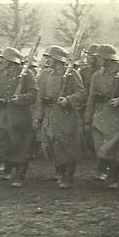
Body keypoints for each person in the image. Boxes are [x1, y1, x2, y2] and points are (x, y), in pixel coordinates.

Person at [84, 44, 119, 189]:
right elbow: (91, 97)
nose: (98, 60)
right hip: (100, 114)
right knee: (101, 146)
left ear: (107, 59)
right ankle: (104, 172)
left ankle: (113, 179)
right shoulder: (97, 75)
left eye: (99, 57)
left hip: (117, 115)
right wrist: (88, 118)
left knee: (116, 149)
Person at [36, 45, 87, 189]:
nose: (47, 61)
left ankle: (67, 176)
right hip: (49, 113)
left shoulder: (71, 74)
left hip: (65, 115)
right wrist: (38, 115)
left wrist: (68, 99)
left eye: (50, 58)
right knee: (49, 143)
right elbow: (39, 96)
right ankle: (59, 170)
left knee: (66, 145)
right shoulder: (45, 74)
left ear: (57, 59)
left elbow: (82, 93)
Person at [0, 47, 39, 187]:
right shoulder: (2, 75)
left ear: (11, 61)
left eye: (4, 59)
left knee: (21, 144)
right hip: (5, 112)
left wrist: (21, 98)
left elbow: (34, 94)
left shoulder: (26, 74)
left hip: (21, 114)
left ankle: (19, 174)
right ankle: (8, 165)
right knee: (1, 138)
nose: (2, 62)